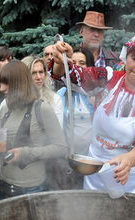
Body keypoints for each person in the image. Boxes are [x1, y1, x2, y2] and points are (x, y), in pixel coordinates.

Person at [51, 28, 135, 196]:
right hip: (95, 170)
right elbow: (72, 74)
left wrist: (129, 160)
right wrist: (61, 59)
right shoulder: (108, 78)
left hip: (131, 177)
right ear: (127, 57)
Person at [0, 60, 68, 198]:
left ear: (20, 83)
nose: (2, 89)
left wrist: (24, 152)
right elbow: (0, 148)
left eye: (6, 84)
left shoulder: (42, 109)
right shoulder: (5, 107)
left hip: (33, 188)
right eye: (1, 83)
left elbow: (61, 148)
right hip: (5, 184)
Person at [57, 46, 95, 188]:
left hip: (92, 160)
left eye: (82, 63)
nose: (77, 67)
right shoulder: (62, 93)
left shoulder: (97, 93)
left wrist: (98, 103)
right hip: (70, 161)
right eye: (73, 63)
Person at [22, 55, 64, 128]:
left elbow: (57, 130)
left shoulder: (55, 99)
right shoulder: (12, 101)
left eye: (41, 72)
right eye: (33, 73)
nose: (39, 77)